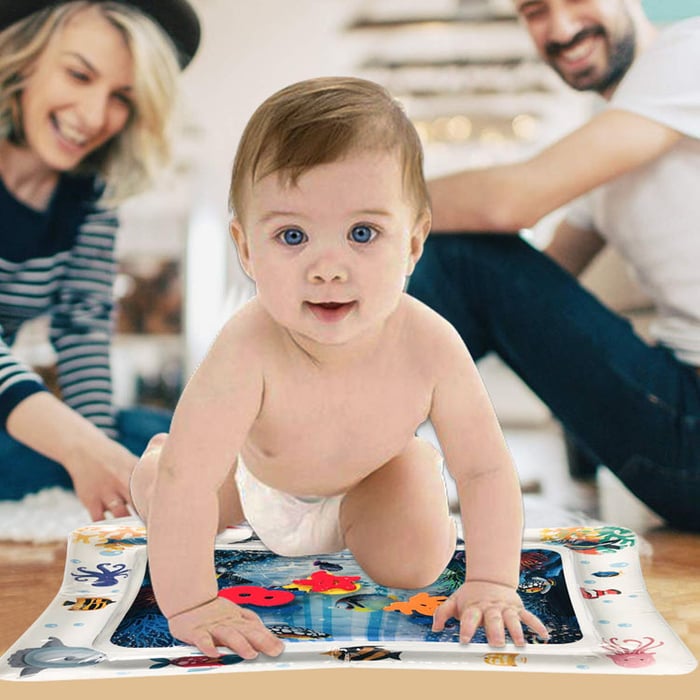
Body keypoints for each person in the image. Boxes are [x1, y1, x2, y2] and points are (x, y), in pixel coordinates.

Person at [130, 76, 550, 660]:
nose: (328, 268)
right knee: (175, 486)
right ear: (246, 249)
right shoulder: (247, 345)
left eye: (362, 233)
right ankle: (149, 465)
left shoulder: (431, 344)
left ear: (412, 242)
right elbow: (191, 481)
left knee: (417, 563)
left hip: (370, 484)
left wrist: (491, 582)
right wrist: (193, 602)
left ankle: (400, 485)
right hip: (255, 488)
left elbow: (482, 470)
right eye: (292, 235)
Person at [407, 0, 700, 532]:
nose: (560, 28)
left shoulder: (691, 51)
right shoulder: (611, 129)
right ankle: (339, 445)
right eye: (535, 11)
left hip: (692, 427)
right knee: (465, 263)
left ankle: (319, 449)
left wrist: (355, 201)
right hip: (679, 423)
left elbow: (510, 206)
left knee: (461, 259)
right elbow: (536, 283)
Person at [0, 0, 200, 520]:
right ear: (25, 59)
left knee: (159, 437)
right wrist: (81, 450)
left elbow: (82, 327)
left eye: (120, 98)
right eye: (78, 74)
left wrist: (107, 473)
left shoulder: (92, 198)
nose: (93, 116)